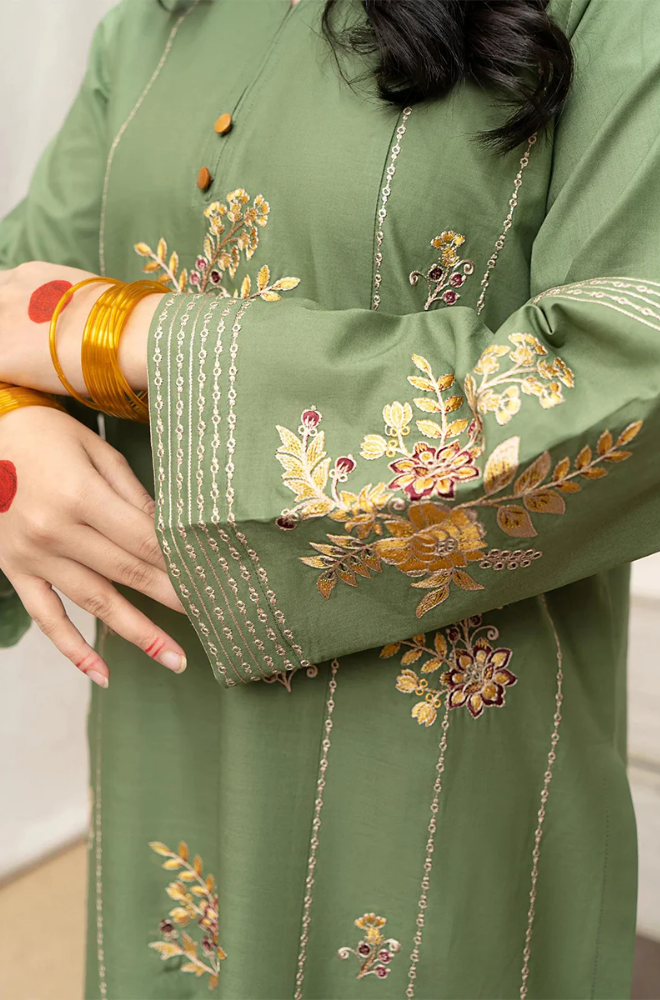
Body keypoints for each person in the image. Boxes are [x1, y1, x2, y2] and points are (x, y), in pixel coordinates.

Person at [0, 0, 659, 996]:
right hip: (163, 716)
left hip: (440, 768)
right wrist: (10, 430)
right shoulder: (154, 21)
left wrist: (125, 335)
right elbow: (17, 292)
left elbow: (629, 372)